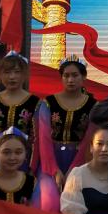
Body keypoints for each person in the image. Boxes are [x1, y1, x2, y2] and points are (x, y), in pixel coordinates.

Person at [0, 52, 49, 180]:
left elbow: (37, 139)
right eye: (7, 72)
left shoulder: (36, 103)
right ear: (0, 75)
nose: (12, 77)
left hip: (22, 159)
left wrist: (32, 167)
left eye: (17, 72)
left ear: (24, 75)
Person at [40, 57, 97, 186]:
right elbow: (44, 138)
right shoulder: (48, 103)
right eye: (66, 76)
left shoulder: (93, 106)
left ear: (84, 77)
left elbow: (89, 139)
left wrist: (74, 169)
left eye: (75, 75)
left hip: (81, 159)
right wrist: (54, 170)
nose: (70, 80)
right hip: (51, 158)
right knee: (49, 196)